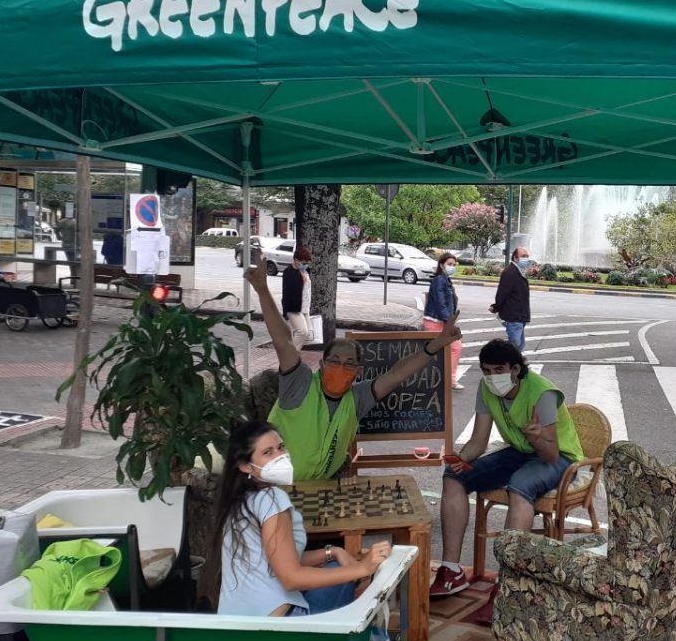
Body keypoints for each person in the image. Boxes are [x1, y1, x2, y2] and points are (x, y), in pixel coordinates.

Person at [246, 256, 461, 481]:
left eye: (349, 364)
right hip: (273, 485)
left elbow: (398, 374)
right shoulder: (300, 383)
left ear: (358, 372)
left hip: (320, 488)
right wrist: (262, 290)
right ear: (322, 364)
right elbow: (283, 341)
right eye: (334, 361)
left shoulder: (358, 398)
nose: (341, 367)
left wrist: (436, 344)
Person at [430, 339, 583, 597]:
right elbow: (478, 441)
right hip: (520, 451)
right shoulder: (486, 388)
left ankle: (509, 582)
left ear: (515, 369)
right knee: (454, 477)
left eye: (499, 370)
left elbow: (551, 454)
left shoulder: (542, 393)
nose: (492, 377)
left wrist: (537, 438)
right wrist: (460, 459)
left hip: (560, 458)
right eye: (487, 371)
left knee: (520, 486)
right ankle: (451, 571)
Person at [215, 420, 392, 616]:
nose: (279, 456)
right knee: (350, 580)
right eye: (267, 453)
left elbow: (280, 558)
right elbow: (291, 578)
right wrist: (363, 569)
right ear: (246, 466)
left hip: (234, 625)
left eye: (281, 447)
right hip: (280, 623)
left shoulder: (239, 503)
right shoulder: (271, 499)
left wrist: (332, 552)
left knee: (336, 565)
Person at [424, 252, 464, 389]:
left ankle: (447, 379)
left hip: (440, 321)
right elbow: (440, 303)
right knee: (455, 347)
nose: (452, 267)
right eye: (449, 264)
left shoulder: (445, 280)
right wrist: (449, 322)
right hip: (436, 322)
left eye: (454, 265)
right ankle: (448, 380)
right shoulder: (440, 280)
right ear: (442, 265)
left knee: (445, 350)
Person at [490, 247, 531, 351]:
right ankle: (502, 360)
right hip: (513, 317)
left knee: (519, 346)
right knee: (515, 347)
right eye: (523, 256)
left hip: (519, 317)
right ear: (515, 258)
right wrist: (496, 307)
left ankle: (511, 361)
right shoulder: (510, 272)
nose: (526, 259)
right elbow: (502, 293)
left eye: (527, 256)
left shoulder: (518, 271)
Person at [281, 245, 313, 345]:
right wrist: (285, 312)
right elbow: (286, 293)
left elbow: (306, 289)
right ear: (296, 260)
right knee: (303, 332)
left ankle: (293, 352)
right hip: (294, 308)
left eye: (307, 263)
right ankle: (289, 352)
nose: (305, 265)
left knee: (308, 335)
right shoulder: (289, 272)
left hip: (305, 307)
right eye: (303, 263)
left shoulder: (305, 271)